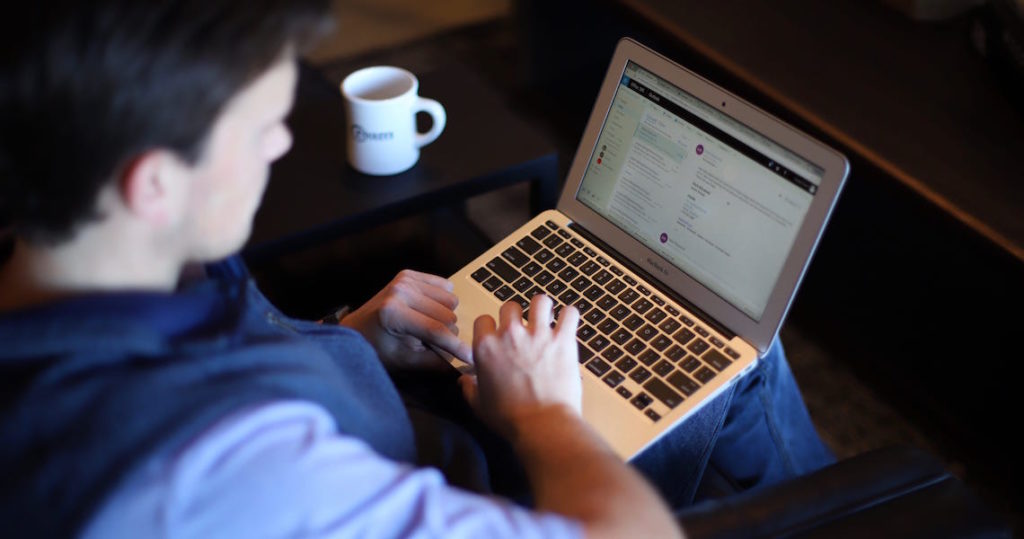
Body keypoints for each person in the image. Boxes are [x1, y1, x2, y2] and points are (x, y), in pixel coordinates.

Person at [0, 1, 834, 537]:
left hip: (395, 405)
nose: (283, 143)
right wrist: (545, 415)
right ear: (152, 183)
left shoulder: (92, 271)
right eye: (261, 128)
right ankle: (883, 509)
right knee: (738, 359)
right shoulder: (217, 479)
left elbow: (236, 356)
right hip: (471, 472)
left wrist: (352, 337)